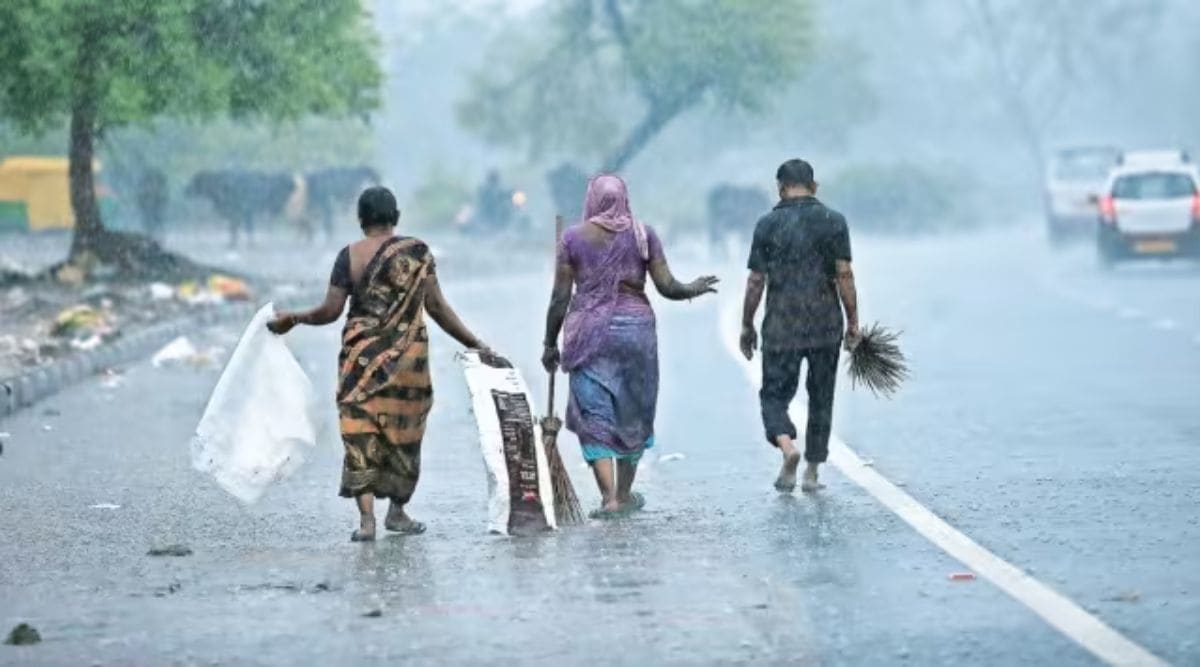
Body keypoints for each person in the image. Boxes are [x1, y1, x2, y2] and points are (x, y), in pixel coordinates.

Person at [268, 186, 492, 542]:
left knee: (360, 430)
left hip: (360, 360)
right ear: (396, 217)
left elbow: (329, 311)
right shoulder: (417, 253)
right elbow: (437, 308)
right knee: (404, 432)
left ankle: (367, 520)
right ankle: (398, 512)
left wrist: (293, 318)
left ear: (361, 220)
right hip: (408, 363)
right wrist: (476, 343)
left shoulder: (349, 257)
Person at [542, 174, 719, 518]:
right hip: (636, 334)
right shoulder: (643, 234)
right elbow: (667, 286)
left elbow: (560, 297)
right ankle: (623, 494)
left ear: (591, 199)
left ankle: (607, 497)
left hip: (588, 335)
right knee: (632, 412)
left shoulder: (572, 239)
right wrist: (692, 288)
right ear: (624, 198)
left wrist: (550, 344)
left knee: (593, 413)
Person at [740, 159, 860, 493]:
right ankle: (812, 472)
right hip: (825, 324)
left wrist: (747, 325)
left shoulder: (767, 224)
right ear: (814, 186)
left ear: (780, 188)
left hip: (781, 325)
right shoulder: (833, 221)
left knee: (774, 395)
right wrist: (853, 323)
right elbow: (844, 275)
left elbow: (755, 281)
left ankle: (787, 447)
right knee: (821, 396)